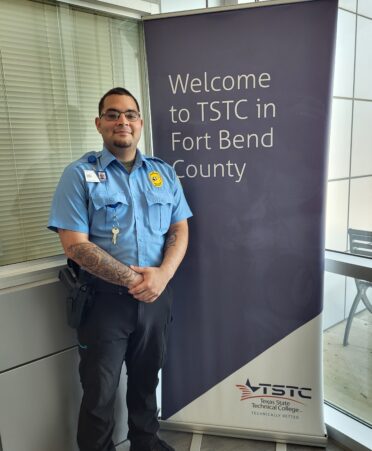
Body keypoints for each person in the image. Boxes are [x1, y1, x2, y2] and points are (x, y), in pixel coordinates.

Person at [48, 87, 192, 451]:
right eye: (112, 114)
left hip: (156, 298)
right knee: (100, 394)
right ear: (99, 124)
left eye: (129, 114)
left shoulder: (163, 173)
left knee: (146, 384)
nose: (122, 121)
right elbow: (75, 245)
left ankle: (146, 444)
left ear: (140, 123)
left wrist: (162, 276)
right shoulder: (79, 175)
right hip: (103, 303)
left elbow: (179, 228)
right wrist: (137, 281)